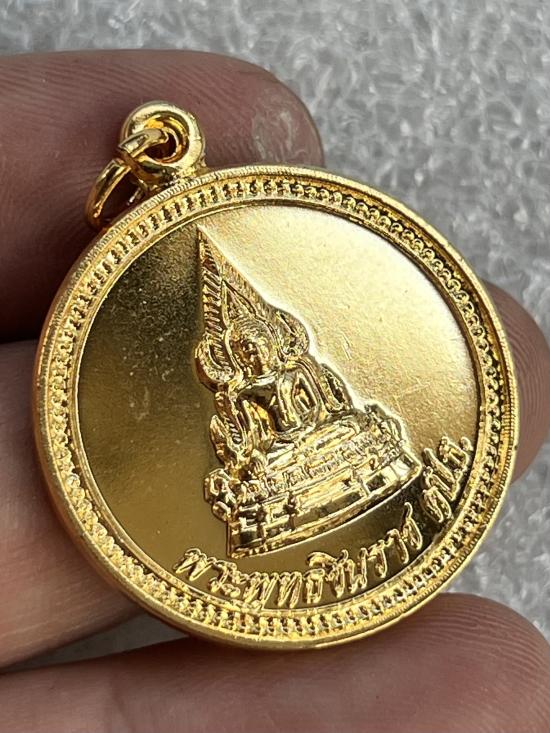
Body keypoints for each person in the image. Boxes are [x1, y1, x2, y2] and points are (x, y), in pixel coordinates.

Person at [0, 50, 549, 732]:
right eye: (245, 352)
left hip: (327, 444)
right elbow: (242, 438)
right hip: (280, 467)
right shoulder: (236, 398)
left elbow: (322, 398)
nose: (259, 357)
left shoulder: (300, 372)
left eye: (266, 346)